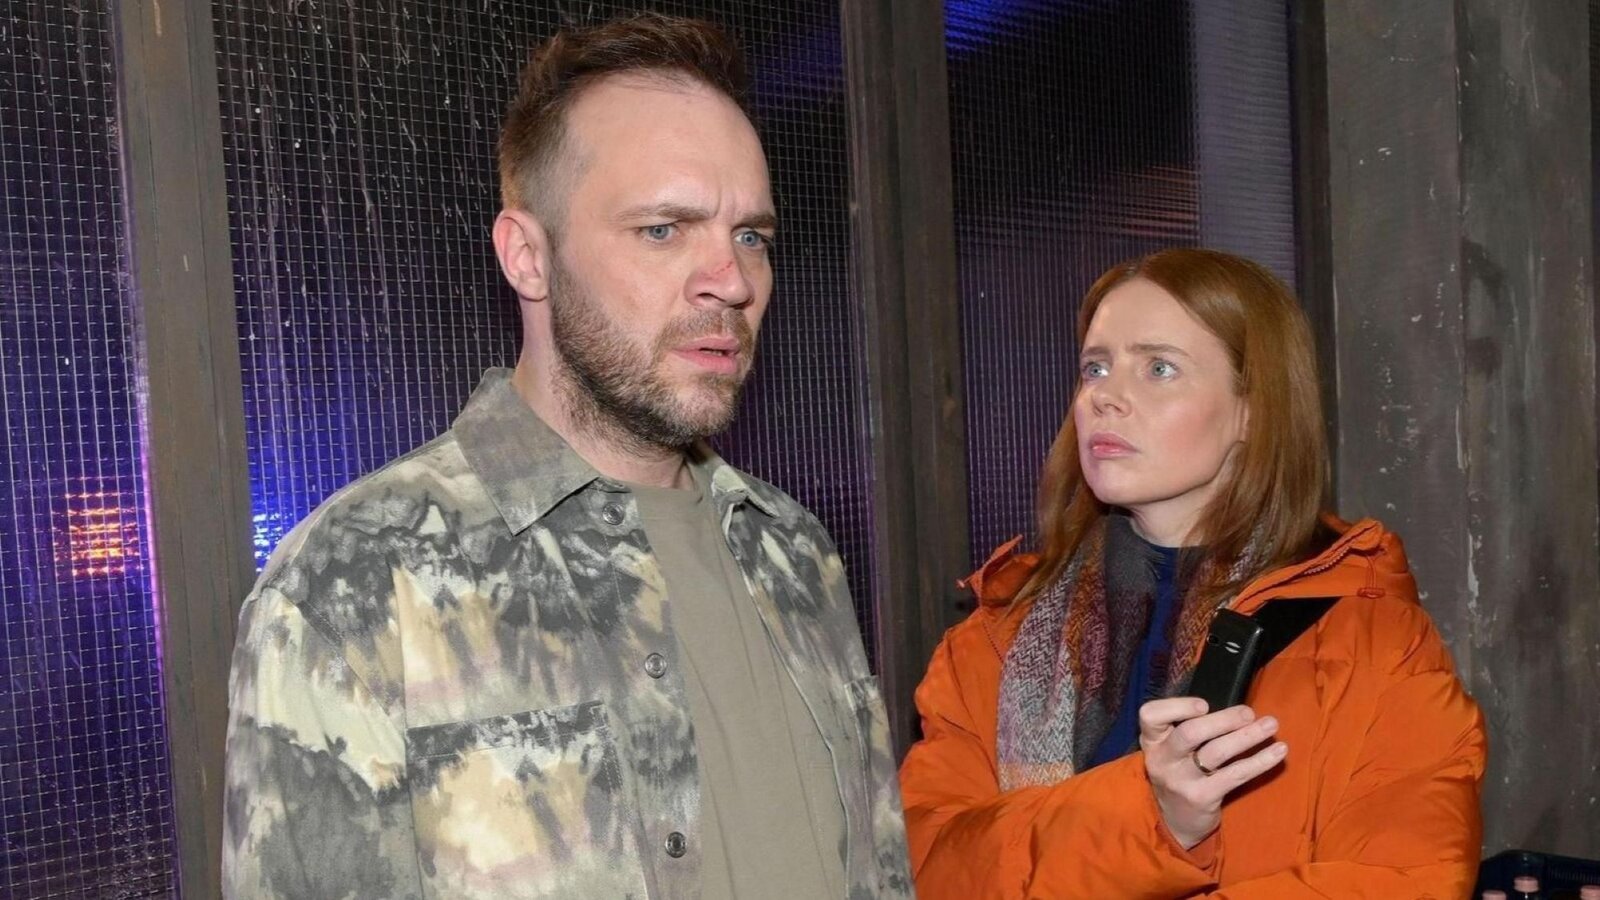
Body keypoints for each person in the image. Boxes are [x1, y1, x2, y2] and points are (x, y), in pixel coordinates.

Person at [221, 14, 912, 899]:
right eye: (664, 229)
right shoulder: (355, 586)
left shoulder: (797, 555)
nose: (733, 280)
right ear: (528, 257)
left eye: (751, 236)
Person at [899, 248, 1487, 897]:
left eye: (1159, 368)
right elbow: (922, 867)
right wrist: (1149, 815)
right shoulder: (994, 641)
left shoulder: (1374, 644)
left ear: (1253, 410)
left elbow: (1402, 882)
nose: (1104, 397)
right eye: (1095, 367)